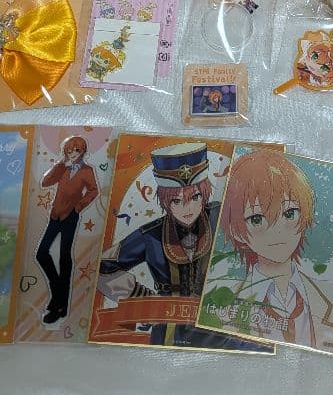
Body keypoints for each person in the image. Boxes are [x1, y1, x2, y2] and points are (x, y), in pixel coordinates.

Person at [216, 149, 333, 357]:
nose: (278, 231)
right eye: (257, 219)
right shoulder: (221, 306)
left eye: (289, 214)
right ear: (236, 232)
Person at [96, 143, 259, 350]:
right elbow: (103, 266)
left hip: (223, 325)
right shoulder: (151, 234)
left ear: (205, 193)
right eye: (176, 201)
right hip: (169, 331)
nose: (187, 208)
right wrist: (142, 298)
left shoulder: (222, 216)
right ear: (165, 201)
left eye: (195, 197)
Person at [35, 136, 99, 325]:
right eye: (70, 150)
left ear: (83, 152)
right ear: (65, 151)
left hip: (71, 216)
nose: (73, 154)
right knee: (41, 253)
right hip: (55, 214)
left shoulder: (87, 171)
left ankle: (60, 306)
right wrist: (60, 164)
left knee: (64, 256)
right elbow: (45, 182)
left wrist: (79, 206)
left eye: (77, 150)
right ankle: (58, 291)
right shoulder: (63, 168)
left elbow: (94, 190)